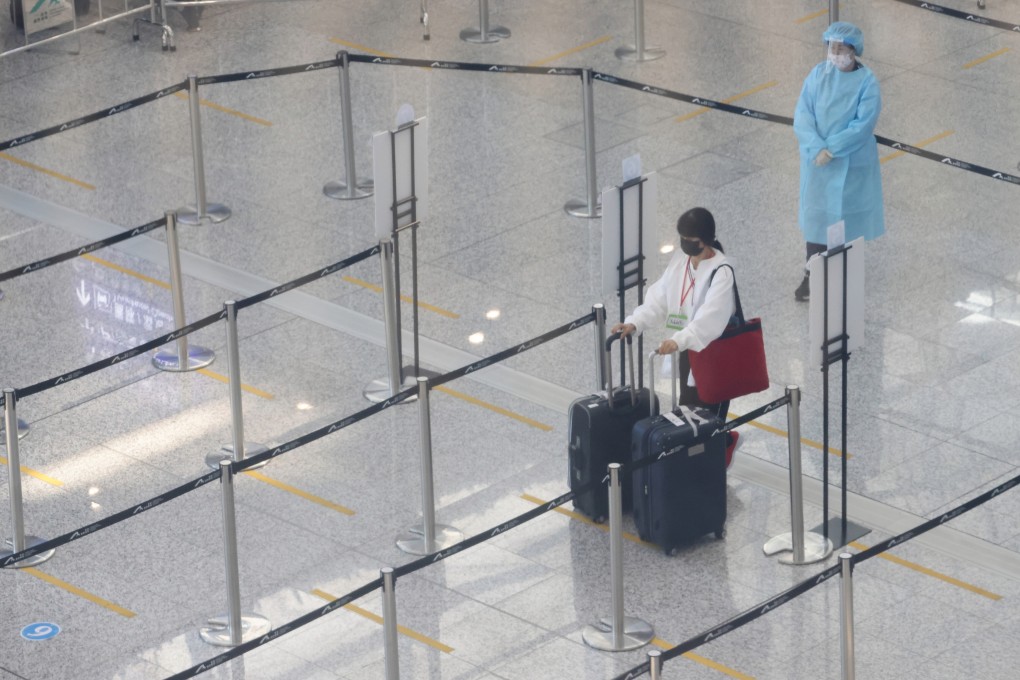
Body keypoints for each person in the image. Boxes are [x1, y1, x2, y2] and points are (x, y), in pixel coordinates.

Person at [611, 207, 741, 467]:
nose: (683, 245)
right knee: (688, 415)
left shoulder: (722, 271)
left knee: (706, 419)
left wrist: (680, 340)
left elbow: (710, 318)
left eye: (688, 240)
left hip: (714, 357)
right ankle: (707, 457)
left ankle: (716, 455)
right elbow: (659, 296)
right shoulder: (680, 262)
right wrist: (634, 322)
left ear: (704, 240)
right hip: (687, 352)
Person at [793, 21, 884, 302]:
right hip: (817, 163)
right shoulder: (818, 74)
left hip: (850, 163)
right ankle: (812, 272)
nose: (835, 53)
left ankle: (840, 273)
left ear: (854, 50)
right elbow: (803, 114)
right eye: (832, 47)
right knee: (817, 217)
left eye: (841, 48)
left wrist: (831, 148)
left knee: (844, 221)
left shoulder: (867, 83)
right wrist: (816, 147)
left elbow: (862, 125)